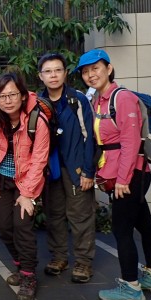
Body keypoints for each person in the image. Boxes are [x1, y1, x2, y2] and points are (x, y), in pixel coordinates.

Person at [76, 49, 151, 300]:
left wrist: (123, 180)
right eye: (85, 71)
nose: (90, 75)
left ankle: (131, 287)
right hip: (121, 175)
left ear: (109, 68)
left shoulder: (122, 98)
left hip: (129, 177)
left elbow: (129, 142)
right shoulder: (98, 100)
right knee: (145, 225)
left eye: (95, 68)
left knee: (121, 230)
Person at [0, 72, 49, 300]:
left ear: (22, 95)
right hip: (1, 179)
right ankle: (21, 266)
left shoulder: (36, 119)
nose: (8, 100)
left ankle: (29, 276)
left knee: (23, 226)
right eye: (2, 96)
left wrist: (28, 194)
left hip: (26, 179)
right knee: (4, 228)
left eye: (12, 95)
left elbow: (40, 158)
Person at [37, 53, 96, 283]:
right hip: (50, 169)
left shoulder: (77, 100)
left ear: (65, 73)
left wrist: (88, 171)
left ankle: (83, 262)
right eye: (48, 71)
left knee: (80, 216)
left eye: (58, 70)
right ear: (40, 76)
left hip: (76, 168)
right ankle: (59, 256)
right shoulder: (37, 103)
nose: (53, 75)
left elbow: (89, 137)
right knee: (54, 215)